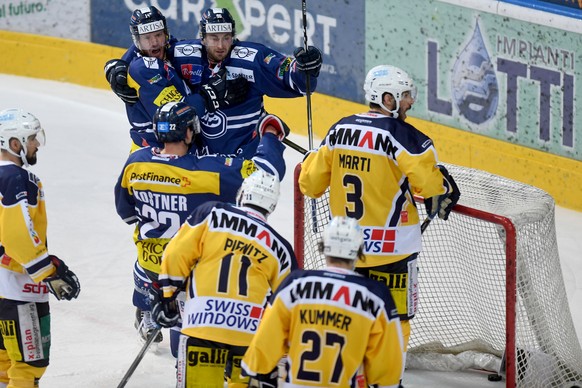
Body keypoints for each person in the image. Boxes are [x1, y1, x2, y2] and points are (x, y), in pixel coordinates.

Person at [298, 65, 461, 381]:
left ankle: (343, 378)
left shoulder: (338, 130)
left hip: (345, 251)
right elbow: (430, 188)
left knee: (347, 316)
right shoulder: (407, 137)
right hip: (393, 253)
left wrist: (309, 160)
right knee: (395, 320)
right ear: (387, 98)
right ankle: (387, 382)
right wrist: (444, 186)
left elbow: (311, 184)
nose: (409, 103)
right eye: (404, 97)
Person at [114, 101, 289, 352]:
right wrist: (271, 134)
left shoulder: (136, 162)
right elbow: (266, 174)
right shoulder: (207, 172)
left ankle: (145, 307)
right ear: (188, 133)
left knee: (149, 260)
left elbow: (126, 211)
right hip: (184, 275)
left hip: (149, 265)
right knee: (184, 348)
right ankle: (174, 329)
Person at [106, 7, 322, 158]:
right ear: (202, 38)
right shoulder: (171, 59)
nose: (220, 45)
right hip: (159, 151)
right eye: (213, 38)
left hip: (238, 159)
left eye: (226, 37)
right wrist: (118, 66)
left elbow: (295, 80)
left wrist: (306, 69)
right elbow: (178, 117)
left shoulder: (250, 58)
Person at [151, 169, 298, 388]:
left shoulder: (211, 214)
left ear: (242, 193)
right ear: (272, 206)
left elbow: (175, 254)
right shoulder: (281, 248)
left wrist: (167, 295)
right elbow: (289, 306)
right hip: (249, 336)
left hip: (203, 324)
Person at [242, 216, 405, 387]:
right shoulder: (375, 296)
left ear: (324, 247)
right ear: (358, 251)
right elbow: (387, 370)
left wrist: (256, 370)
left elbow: (265, 343)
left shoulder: (295, 284)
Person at [0, 109, 80, 387]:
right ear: (14, 143)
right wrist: (48, 271)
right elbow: (17, 233)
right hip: (16, 291)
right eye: (32, 138)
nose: (36, 144)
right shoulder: (17, 178)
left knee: (2, 363)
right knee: (27, 367)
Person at [104, 6, 249, 151]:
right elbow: (177, 116)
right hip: (154, 153)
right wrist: (211, 94)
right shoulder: (141, 70)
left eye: (158, 35)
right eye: (147, 38)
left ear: (166, 33)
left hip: (178, 148)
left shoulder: (167, 50)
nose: (154, 42)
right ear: (137, 41)